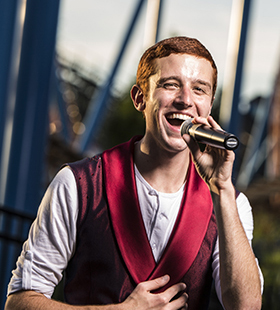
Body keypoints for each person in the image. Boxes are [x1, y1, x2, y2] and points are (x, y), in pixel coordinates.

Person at [5, 36, 263, 310]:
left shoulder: (231, 204)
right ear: (140, 98)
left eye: (199, 89)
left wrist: (222, 189)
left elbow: (246, 307)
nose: (185, 100)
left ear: (209, 105)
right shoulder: (77, 184)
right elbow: (19, 303)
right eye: (171, 84)